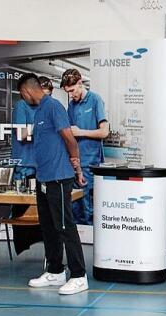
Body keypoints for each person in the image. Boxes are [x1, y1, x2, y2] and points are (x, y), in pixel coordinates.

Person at [18, 73, 88, 295]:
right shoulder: (38, 111)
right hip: (43, 178)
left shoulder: (53, 107)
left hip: (59, 177)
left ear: (27, 91)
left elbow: (70, 139)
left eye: (21, 94)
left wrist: (77, 168)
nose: (22, 98)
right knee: (49, 228)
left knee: (66, 227)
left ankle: (79, 276)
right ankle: (55, 271)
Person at [61, 68, 109, 226]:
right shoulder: (72, 106)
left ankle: (89, 243)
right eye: (68, 92)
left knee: (88, 207)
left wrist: (81, 132)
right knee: (75, 206)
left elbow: (104, 132)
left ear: (80, 83)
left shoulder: (95, 100)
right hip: (76, 163)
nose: (70, 95)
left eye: (72, 90)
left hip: (91, 162)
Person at [12, 77, 53, 181]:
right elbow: (21, 134)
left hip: (42, 166)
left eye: (48, 96)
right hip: (25, 167)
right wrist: (41, 123)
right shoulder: (22, 106)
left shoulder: (46, 107)